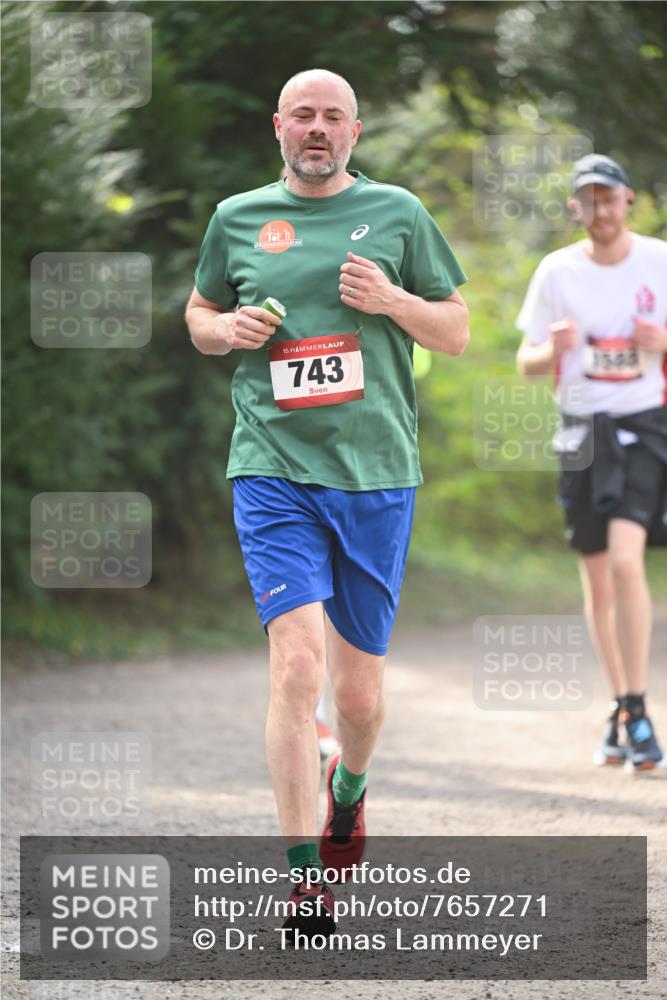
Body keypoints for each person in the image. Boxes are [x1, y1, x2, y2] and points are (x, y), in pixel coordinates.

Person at [185, 68, 468, 936]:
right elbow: (199, 312)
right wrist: (224, 330)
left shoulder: (399, 214)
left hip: (376, 474)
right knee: (296, 667)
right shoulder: (237, 217)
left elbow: (453, 331)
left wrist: (389, 300)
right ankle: (303, 875)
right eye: (302, 115)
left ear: (354, 130)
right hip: (271, 465)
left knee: (357, 699)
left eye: (332, 117)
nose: (316, 128)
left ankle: (348, 787)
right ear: (278, 126)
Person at [516, 153, 667, 772]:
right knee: (598, 578)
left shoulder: (659, 260)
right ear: (576, 207)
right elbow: (524, 362)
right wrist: (548, 348)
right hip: (580, 431)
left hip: (643, 425)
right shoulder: (557, 271)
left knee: (629, 563)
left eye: (609, 198)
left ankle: (637, 707)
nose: (599, 210)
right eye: (588, 200)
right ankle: (620, 707)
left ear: (628, 199)